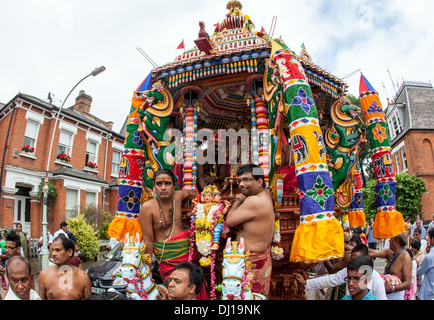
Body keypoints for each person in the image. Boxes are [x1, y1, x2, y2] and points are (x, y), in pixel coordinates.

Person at [138, 169, 207, 298]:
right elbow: (148, 241)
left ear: (173, 186)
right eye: (159, 184)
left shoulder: (178, 196)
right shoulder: (147, 208)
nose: (163, 188)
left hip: (188, 257)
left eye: (167, 183)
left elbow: (196, 193)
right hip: (168, 262)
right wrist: (148, 270)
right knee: (176, 292)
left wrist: (204, 201)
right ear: (154, 187)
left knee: (195, 291)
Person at [225, 164, 275, 297]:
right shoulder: (266, 193)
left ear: (259, 181)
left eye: (246, 180)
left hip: (251, 262)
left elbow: (229, 221)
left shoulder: (254, 201)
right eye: (239, 180)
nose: (241, 184)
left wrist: (237, 200)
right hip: (261, 258)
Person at [296, 244, 387, 300]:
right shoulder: (346, 298)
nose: (351, 283)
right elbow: (331, 279)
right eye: (349, 278)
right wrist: (306, 283)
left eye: (356, 279)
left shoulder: (376, 279)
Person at [369, 232, 412, 300]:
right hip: (384, 293)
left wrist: (392, 288)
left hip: (396, 295)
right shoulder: (389, 253)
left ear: (397, 241)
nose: (389, 240)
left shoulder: (405, 257)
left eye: (391, 239)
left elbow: (407, 283)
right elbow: (372, 252)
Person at [416, 228, 434, 300]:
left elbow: (419, 272)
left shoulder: (429, 257)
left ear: (433, 239)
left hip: (428, 292)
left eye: (428, 237)